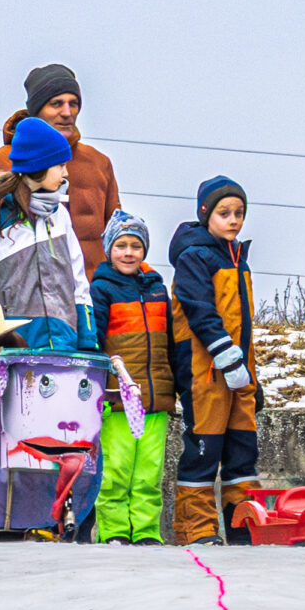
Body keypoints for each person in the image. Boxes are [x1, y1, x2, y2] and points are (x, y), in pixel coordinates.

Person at [0, 117, 96, 351]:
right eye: (60, 165)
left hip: (63, 348)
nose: (66, 172)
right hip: (12, 349)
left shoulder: (61, 216)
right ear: (39, 167)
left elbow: (79, 283)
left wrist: (88, 341)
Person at [0, 63, 122, 277]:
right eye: (56, 104)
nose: (67, 112)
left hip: (91, 301)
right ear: (37, 111)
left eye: (73, 104)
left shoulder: (99, 163)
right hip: (21, 302)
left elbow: (120, 236)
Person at [168, 176, 261, 544]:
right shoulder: (195, 257)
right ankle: (196, 529)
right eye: (225, 213)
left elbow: (246, 326)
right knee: (204, 451)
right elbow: (199, 311)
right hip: (204, 371)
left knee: (242, 453)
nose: (234, 220)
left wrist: (252, 375)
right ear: (206, 214)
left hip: (240, 375)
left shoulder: (239, 259)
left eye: (239, 213)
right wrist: (226, 357)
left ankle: (243, 527)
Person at [89, 211, 178, 545]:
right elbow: (95, 340)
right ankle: (113, 533)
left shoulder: (157, 289)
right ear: (109, 249)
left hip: (156, 399)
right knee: (116, 471)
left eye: (136, 246)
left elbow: (169, 342)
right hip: (118, 399)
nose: (128, 253)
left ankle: (145, 533)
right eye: (121, 245)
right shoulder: (101, 289)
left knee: (148, 473)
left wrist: (174, 385)